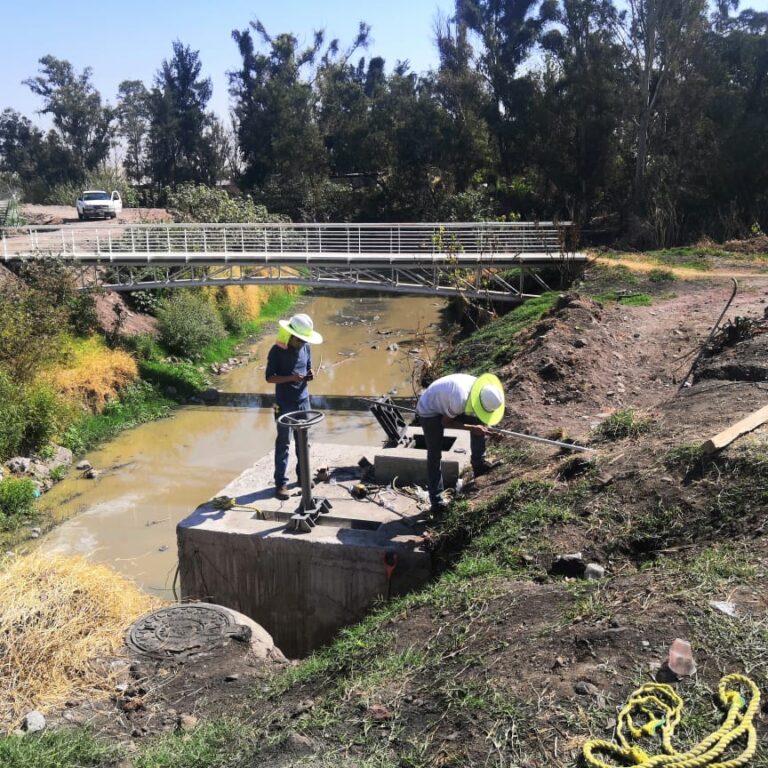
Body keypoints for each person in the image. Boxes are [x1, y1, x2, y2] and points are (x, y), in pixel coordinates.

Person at [416, 373, 504, 513]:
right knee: (434, 454)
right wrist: (472, 428)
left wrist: (489, 430)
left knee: (478, 423)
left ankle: (479, 465)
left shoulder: (483, 390)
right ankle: (437, 501)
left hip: (446, 402)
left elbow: (481, 418)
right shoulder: (460, 399)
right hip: (429, 411)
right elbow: (445, 422)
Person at [266, 314, 323, 499]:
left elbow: (308, 366)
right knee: (283, 442)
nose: (301, 343)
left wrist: (310, 373)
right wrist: (291, 378)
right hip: (283, 402)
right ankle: (280, 484)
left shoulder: (305, 347)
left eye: (304, 340)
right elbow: (269, 378)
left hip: (303, 401)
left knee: (303, 441)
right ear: (290, 335)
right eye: (299, 340)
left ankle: (302, 477)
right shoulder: (276, 351)